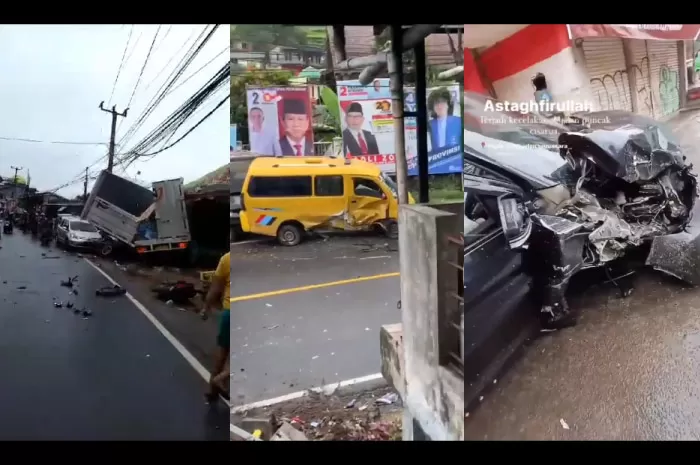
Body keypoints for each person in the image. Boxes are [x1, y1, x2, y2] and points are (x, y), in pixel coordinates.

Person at [200, 251, 230, 403]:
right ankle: (220, 378)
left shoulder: (226, 259)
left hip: (228, 314)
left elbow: (215, 289)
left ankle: (212, 392)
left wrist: (206, 307)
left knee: (222, 355)